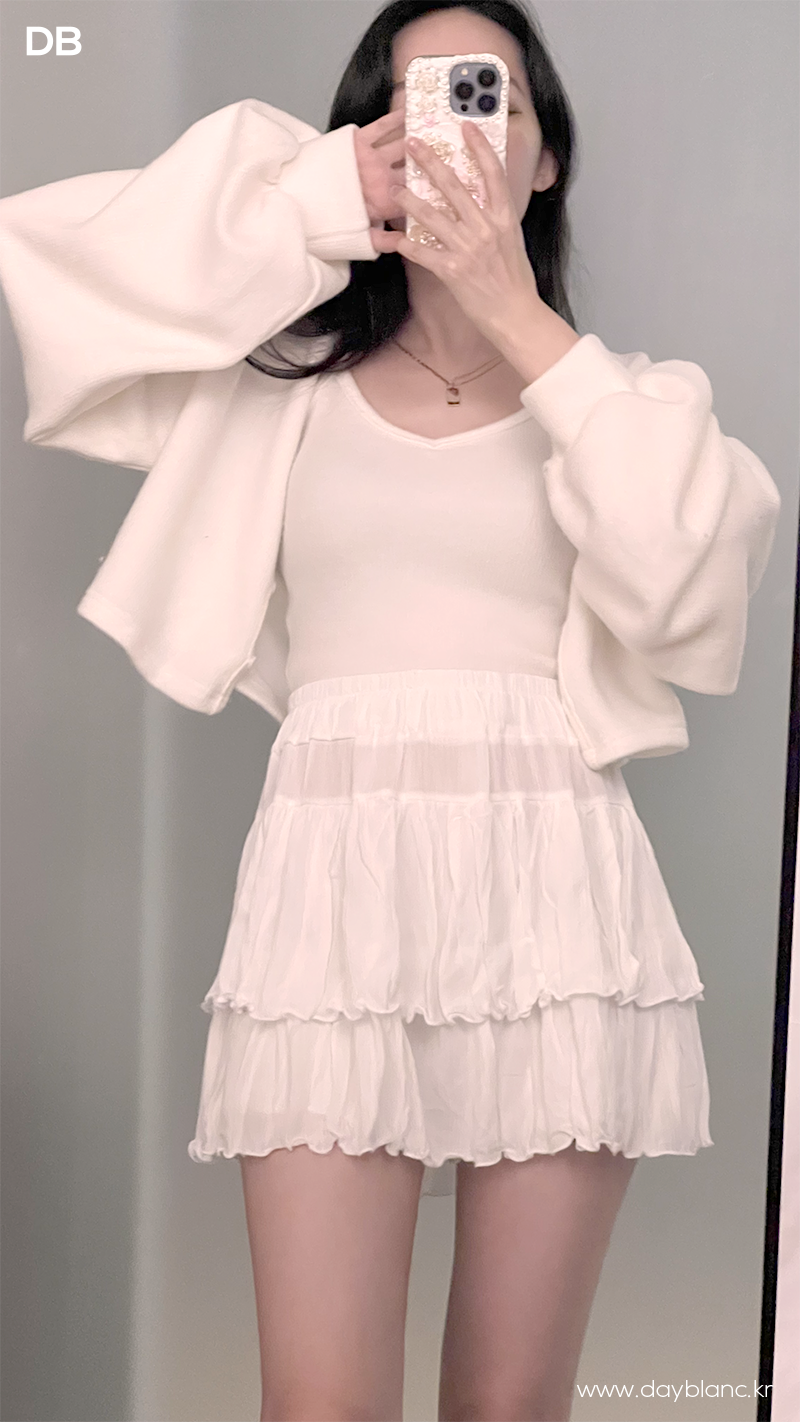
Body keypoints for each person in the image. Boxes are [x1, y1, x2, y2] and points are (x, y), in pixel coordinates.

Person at [0, 1, 782, 1419]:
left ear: (548, 156)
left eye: (488, 100)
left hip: (557, 912)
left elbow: (686, 591)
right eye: (414, 105)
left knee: (508, 1407)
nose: (453, 134)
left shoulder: (629, 405)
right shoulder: (272, 391)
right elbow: (46, 265)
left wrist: (516, 314)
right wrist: (318, 199)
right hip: (331, 904)